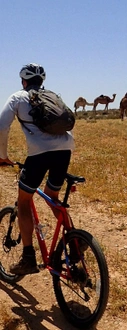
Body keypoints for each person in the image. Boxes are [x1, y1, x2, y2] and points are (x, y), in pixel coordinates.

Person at [0, 63, 75, 275]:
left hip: (39, 154)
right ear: (42, 81)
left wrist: (3, 156)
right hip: (65, 149)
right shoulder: (53, 96)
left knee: (24, 201)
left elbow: (1, 126)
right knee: (53, 195)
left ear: (23, 81)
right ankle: (75, 241)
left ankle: (28, 258)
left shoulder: (17, 97)